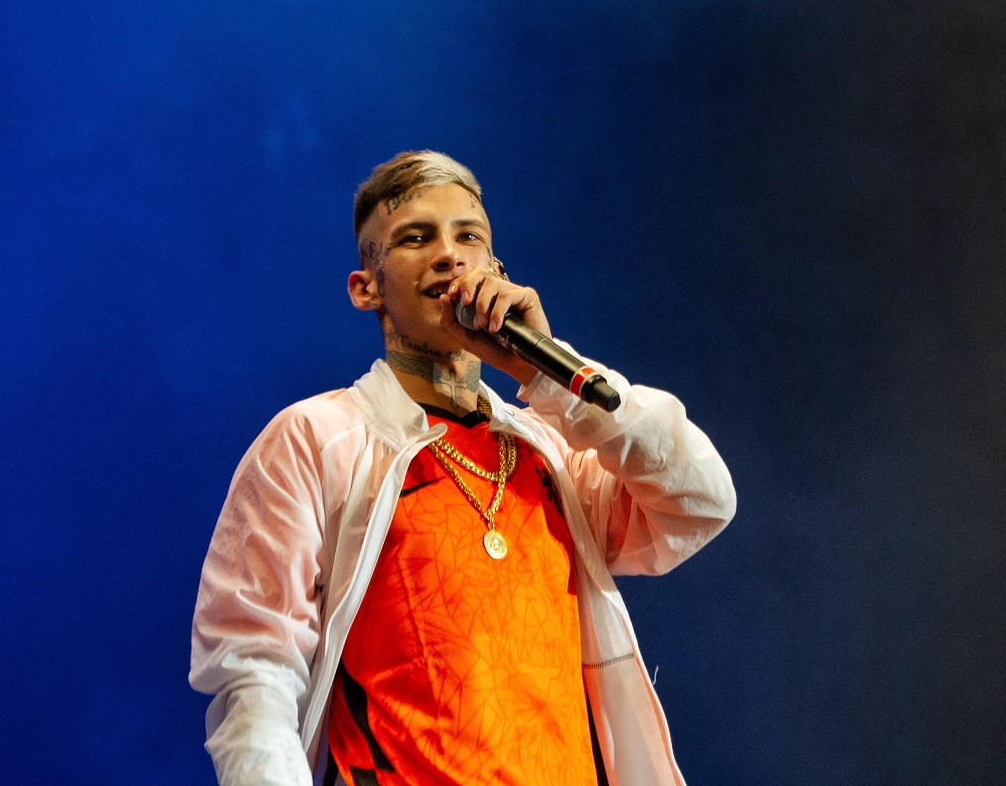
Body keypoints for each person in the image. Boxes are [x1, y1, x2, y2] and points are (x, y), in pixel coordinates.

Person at [189, 151, 736, 786]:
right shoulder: (318, 439)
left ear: (496, 271)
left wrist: (545, 371)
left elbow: (701, 499)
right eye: (415, 238)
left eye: (468, 236)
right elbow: (254, 668)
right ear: (366, 288)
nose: (449, 255)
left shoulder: (550, 454)